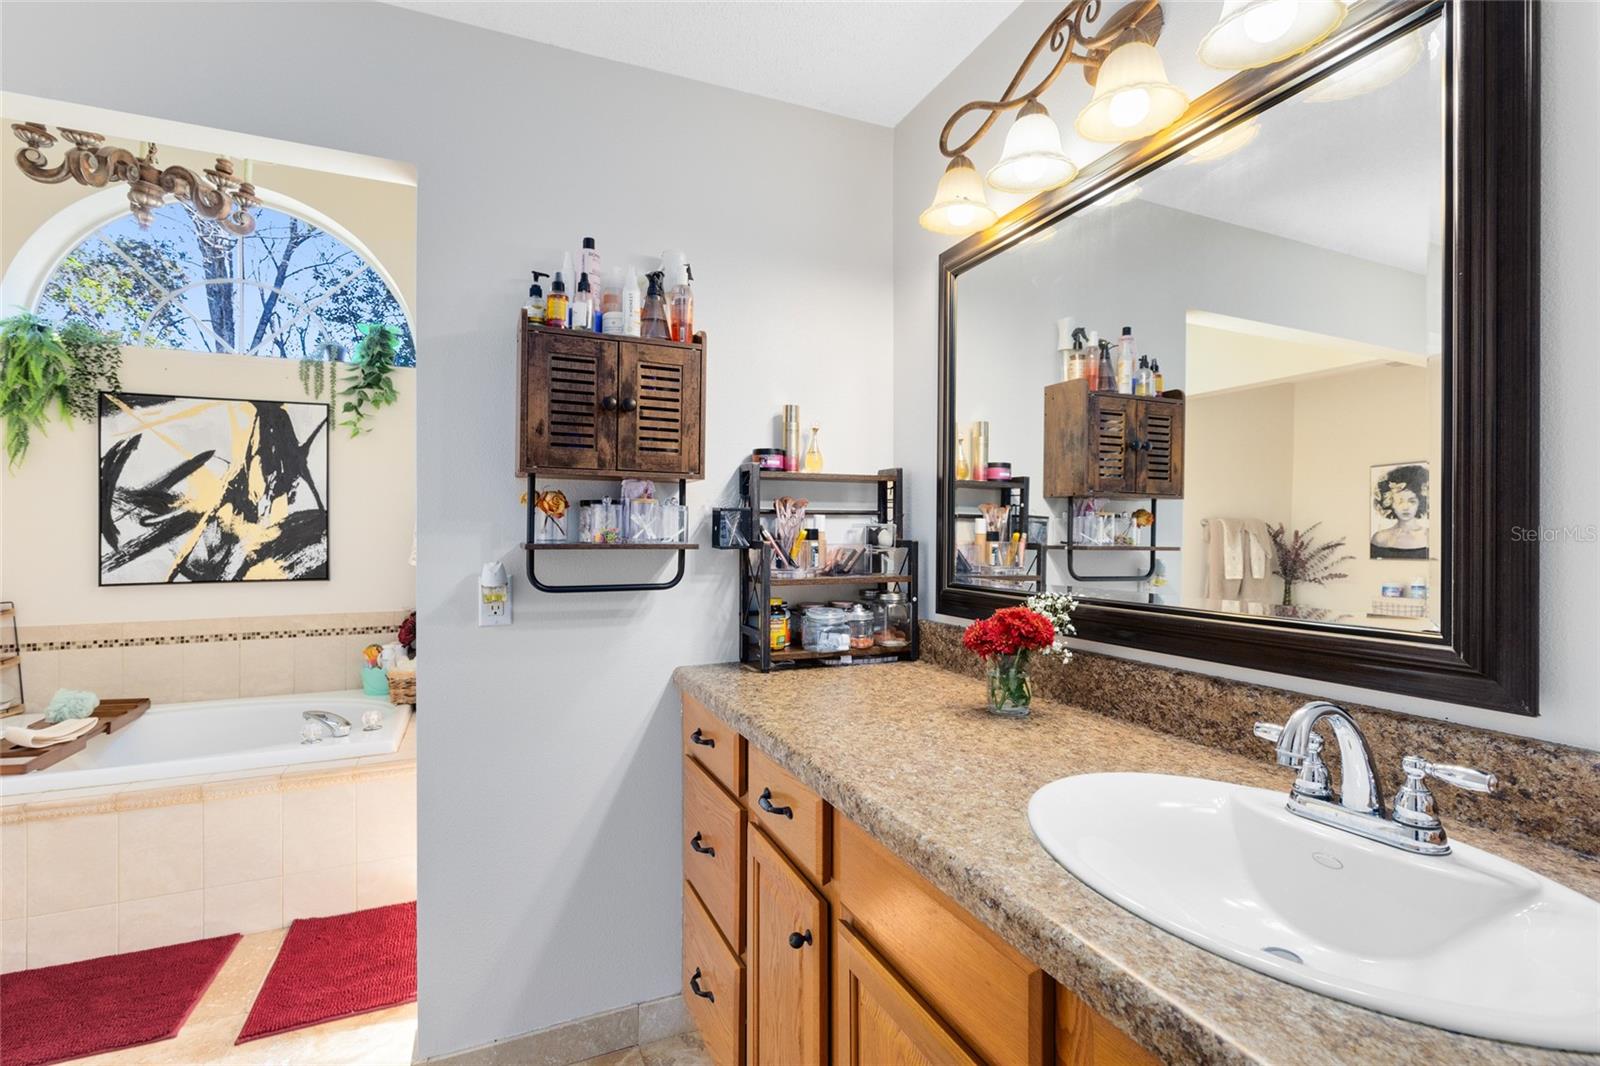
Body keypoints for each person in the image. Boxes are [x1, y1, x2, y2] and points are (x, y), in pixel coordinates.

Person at [1371, 463, 1429, 559]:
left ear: (1420, 502)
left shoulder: (1430, 536)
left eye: (1412, 501)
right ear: (1390, 503)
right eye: (1399, 501)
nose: (1405, 507)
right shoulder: (1380, 538)